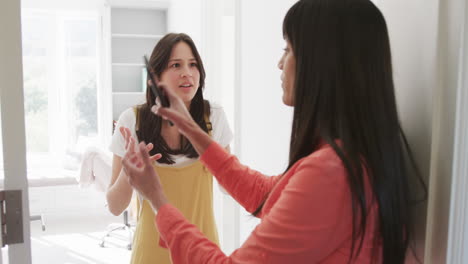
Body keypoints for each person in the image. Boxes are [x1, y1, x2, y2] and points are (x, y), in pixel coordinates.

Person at [120, 0, 426, 263]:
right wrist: (189, 125)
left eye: (288, 49)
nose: (280, 63)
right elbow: (265, 195)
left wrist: (158, 199)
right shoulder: (347, 154)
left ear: (322, 65)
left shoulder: (331, 172)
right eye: (175, 65)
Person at [107, 33, 233, 264]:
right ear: (156, 77)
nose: (187, 72)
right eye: (176, 65)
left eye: (193, 64)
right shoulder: (131, 121)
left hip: (203, 253)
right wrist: (129, 171)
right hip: (151, 254)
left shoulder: (213, 117)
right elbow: (115, 207)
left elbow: (230, 188)